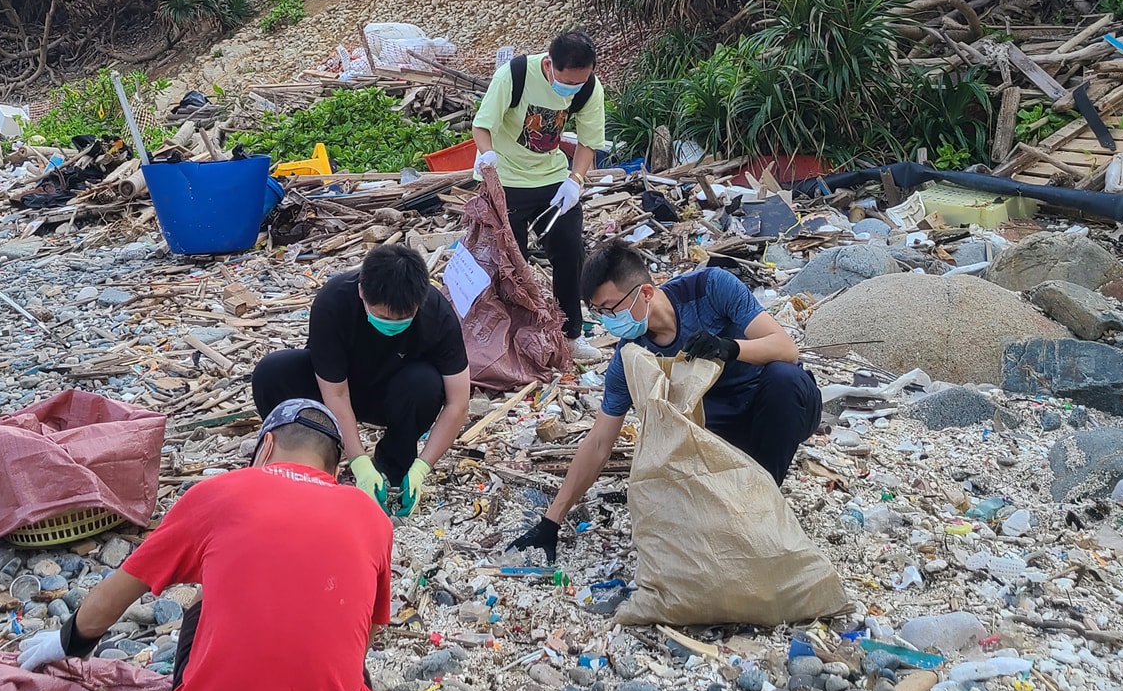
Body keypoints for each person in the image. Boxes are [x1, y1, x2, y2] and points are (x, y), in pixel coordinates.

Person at [16, 399, 392, 691]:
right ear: (336, 471)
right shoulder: (372, 519)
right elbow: (362, 643)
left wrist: (65, 643)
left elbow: (111, 601)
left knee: (204, 595)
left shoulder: (217, 493)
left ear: (267, 447)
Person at [508, 241, 821, 563]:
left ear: (645, 293)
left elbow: (786, 349)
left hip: (777, 410)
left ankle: (763, 504)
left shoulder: (711, 287)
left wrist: (730, 348)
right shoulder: (632, 356)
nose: (609, 321)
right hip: (719, 436)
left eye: (612, 308)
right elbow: (600, 440)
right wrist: (551, 521)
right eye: (599, 313)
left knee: (786, 379)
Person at [251, 243, 470, 515]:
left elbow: (458, 403)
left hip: (394, 395)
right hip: (335, 388)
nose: (391, 323)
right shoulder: (334, 301)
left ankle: (394, 470)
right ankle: (301, 459)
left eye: (402, 318)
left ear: (420, 302)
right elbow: (336, 394)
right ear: (361, 292)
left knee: (426, 383)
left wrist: (423, 467)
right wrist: (358, 462)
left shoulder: (438, 315)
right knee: (273, 372)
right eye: (381, 316)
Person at [472, 29, 607, 364]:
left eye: (580, 82)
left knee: (570, 252)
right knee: (509, 264)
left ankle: (570, 336)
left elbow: (589, 141)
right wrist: (487, 157)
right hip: (506, 179)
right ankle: (516, 339)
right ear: (549, 65)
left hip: (551, 179)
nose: (572, 89)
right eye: (567, 82)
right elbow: (482, 125)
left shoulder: (589, 86)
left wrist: (575, 181)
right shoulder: (515, 75)